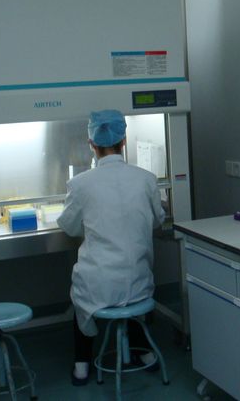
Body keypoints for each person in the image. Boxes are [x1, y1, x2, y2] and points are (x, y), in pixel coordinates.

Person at [57, 109, 165, 385]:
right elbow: (157, 220)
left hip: (99, 284)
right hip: (139, 280)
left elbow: (69, 227)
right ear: (124, 140)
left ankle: (82, 365)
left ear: (91, 144)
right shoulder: (146, 179)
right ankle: (144, 353)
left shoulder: (80, 184)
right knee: (130, 297)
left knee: (81, 295)